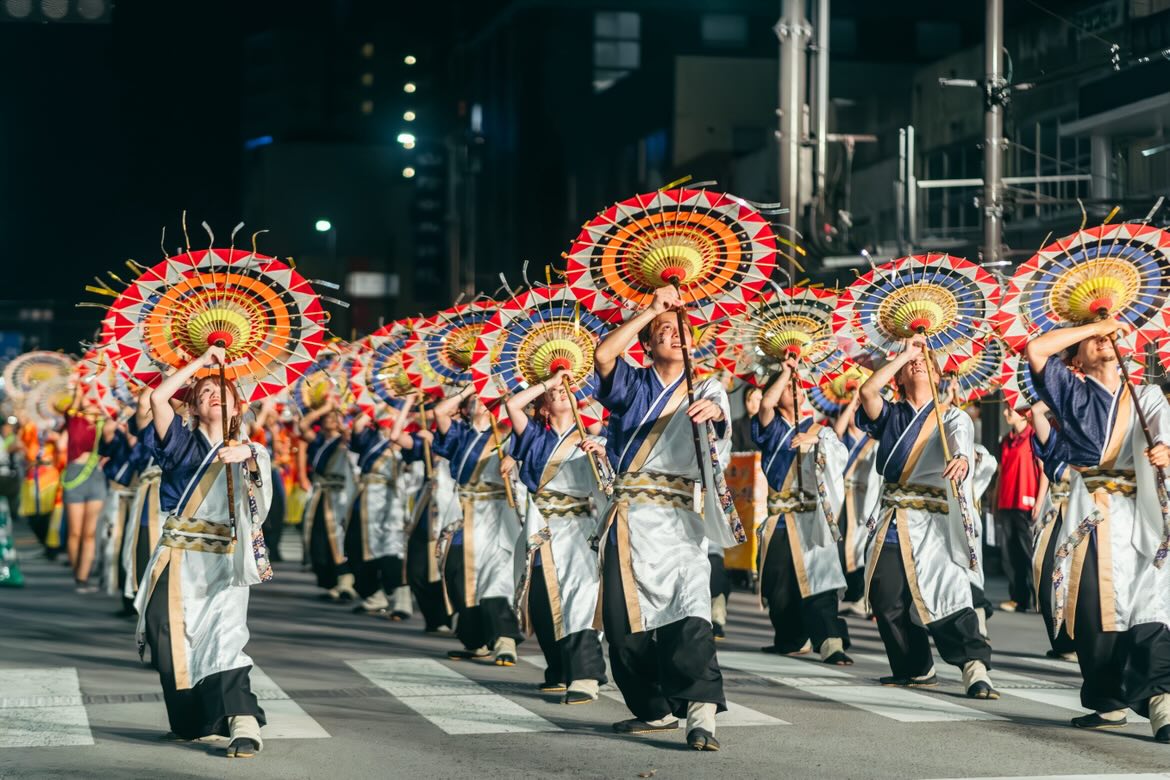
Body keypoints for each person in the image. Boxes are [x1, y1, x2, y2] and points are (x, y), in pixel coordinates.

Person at [593, 285, 730, 752]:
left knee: (690, 613)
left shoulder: (708, 388)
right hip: (630, 521)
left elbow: (720, 434)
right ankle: (653, 710)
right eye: (663, 331)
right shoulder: (633, 384)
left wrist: (715, 413)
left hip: (679, 522)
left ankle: (701, 716)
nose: (674, 334)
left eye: (680, 329)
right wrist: (651, 308)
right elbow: (604, 355)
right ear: (648, 344)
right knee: (622, 630)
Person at [1025, 318, 1170, 741]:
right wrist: (1099, 322)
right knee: (1091, 613)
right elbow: (1036, 350)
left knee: (1150, 607)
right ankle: (1108, 703)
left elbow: (1163, 431)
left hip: (1141, 515)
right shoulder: (1070, 391)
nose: (1103, 339)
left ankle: (1162, 702)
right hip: (1090, 516)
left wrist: (1165, 450)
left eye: (1108, 336)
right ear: (1076, 361)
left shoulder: (1146, 395)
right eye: (1091, 340)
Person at [137, 346, 273, 758]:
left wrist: (250, 455)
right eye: (204, 393)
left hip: (223, 561)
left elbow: (260, 506)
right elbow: (159, 397)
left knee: (224, 639)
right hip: (178, 558)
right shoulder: (179, 441)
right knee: (164, 633)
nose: (213, 395)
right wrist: (202, 364)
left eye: (221, 391)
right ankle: (192, 722)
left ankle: (244, 724)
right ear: (193, 407)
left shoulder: (249, 449)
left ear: (237, 405)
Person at [857, 335, 998, 699]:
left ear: (937, 375)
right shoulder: (890, 414)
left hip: (934, 522)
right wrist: (905, 352)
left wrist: (962, 458)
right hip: (894, 519)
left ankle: (975, 668)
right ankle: (915, 668)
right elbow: (867, 392)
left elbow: (960, 437)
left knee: (947, 594)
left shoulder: (951, 416)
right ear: (898, 377)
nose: (918, 363)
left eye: (925, 361)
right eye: (909, 364)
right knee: (885, 597)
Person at [506, 369, 608, 703]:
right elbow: (512, 405)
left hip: (578, 528)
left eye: (566, 389)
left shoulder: (596, 440)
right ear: (544, 406)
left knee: (580, 600)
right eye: (553, 393)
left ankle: (586, 676)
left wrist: (601, 457)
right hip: (541, 529)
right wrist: (549, 382)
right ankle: (559, 670)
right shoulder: (534, 436)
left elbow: (610, 486)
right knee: (540, 599)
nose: (561, 392)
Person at [752, 358, 853, 664]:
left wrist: (817, 440)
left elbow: (840, 456)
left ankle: (831, 642)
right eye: (787, 388)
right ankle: (791, 638)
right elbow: (766, 405)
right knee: (779, 585)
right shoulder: (770, 427)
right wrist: (786, 371)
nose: (794, 391)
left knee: (820, 582)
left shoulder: (820, 430)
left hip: (812, 516)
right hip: (781, 518)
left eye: (798, 386)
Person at [432, 385, 525, 665]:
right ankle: (475, 639)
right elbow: (439, 412)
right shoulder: (460, 433)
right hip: (464, 514)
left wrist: (513, 458)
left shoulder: (507, 434)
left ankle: (505, 639)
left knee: (497, 577)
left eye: (486, 398)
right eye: (477, 399)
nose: (481, 402)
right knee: (458, 575)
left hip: (497, 514)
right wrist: (473, 386)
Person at [346, 407, 414, 617]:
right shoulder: (371, 436)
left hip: (390, 499)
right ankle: (373, 594)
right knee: (354, 546)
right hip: (364, 496)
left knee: (391, 549)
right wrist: (375, 402)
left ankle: (402, 600)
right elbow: (357, 427)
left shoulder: (406, 437)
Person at [1028, 400, 1077, 661]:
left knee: (1078, 578)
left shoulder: (1097, 431)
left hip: (1085, 513)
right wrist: (1061, 391)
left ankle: (1080, 641)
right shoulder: (1055, 436)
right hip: (1056, 510)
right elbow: (1036, 412)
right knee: (1044, 571)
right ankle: (1061, 641)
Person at [300, 402, 356, 600]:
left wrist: (341, 419)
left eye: (335, 417)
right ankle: (330, 581)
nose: (331, 420)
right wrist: (325, 407)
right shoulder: (319, 441)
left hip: (339, 494)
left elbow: (350, 436)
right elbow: (303, 426)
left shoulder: (344, 440)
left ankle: (345, 582)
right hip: (320, 493)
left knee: (338, 536)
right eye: (327, 418)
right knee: (318, 537)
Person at [833, 392, 879, 617]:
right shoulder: (844, 440)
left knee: (861, 546)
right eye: (851, 411)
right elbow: (836, 432)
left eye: (857, 410)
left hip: (864, 498)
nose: (854, 413)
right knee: (843, 545)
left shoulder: (872, 439)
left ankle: (863, 594)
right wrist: (851, 401)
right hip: (844, 498)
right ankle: (850, 591)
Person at [60, 389, 109, 592]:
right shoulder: (74, 419)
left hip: (96, 476)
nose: (91, 400)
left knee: (89, 533)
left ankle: (83, 578)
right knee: (75, 532)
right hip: (75, 475)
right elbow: (73, 405)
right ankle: (76, 570)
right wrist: (79, 390)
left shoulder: (104, 421)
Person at [997, 404, 1040, 613]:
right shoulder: (1006, 440)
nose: (1006, 412)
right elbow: (1000, 472)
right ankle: (1018, 598)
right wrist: (994, 500)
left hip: (1027, 503)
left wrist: (1040, 502)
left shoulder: (1034, 436)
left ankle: (1040, 599)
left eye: (1010, 409)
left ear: (1024, 414)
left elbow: (1044, 470)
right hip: (1006, 502)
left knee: (1029, 553)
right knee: (1010, 554)